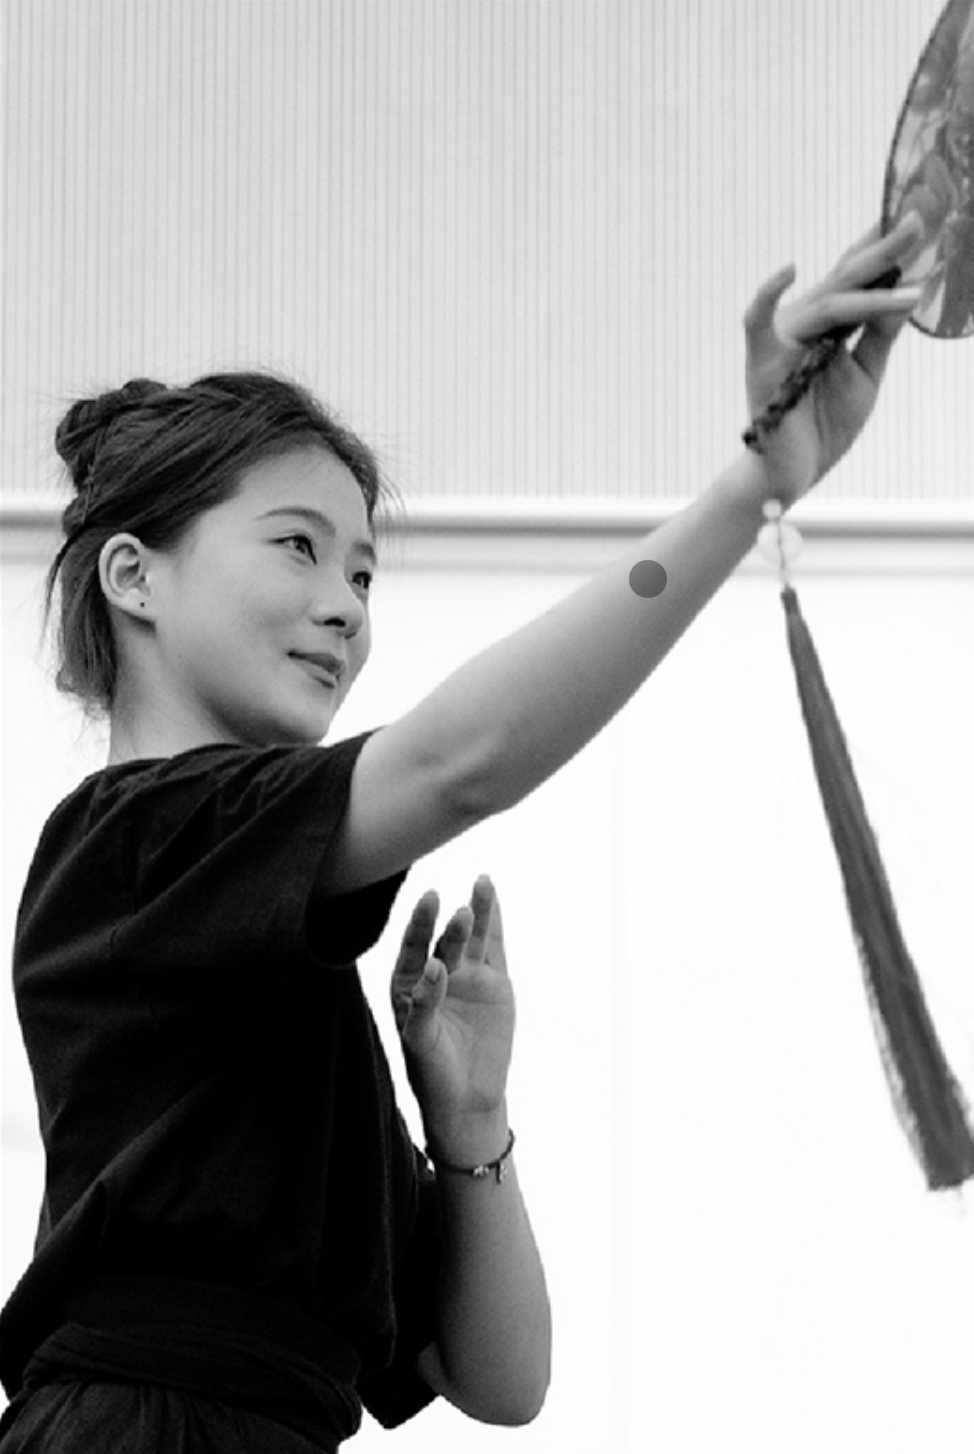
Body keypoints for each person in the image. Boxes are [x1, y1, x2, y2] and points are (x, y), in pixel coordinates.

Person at [0, 215, 925, 1452]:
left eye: (363, 574)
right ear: (133, 576)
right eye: (298, 546)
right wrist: (748, 486)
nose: (343, 605)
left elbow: (496, 1374)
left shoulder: (276, 977)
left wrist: (470, 1120)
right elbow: (462, 759)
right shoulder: (132, 838)